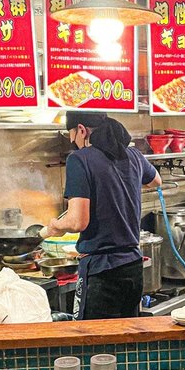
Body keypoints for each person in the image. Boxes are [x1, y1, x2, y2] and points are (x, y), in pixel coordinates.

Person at [46, 112, 161, 320]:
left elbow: (77, 221)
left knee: (94, 337)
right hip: (133, 266)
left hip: (102, 271)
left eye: (71, 135)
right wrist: (125, 183)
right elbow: (156, 181)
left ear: (81, 130)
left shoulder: (79, 159)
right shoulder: (133, 155)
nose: (73, 142)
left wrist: (56, 226)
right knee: (126, 335)